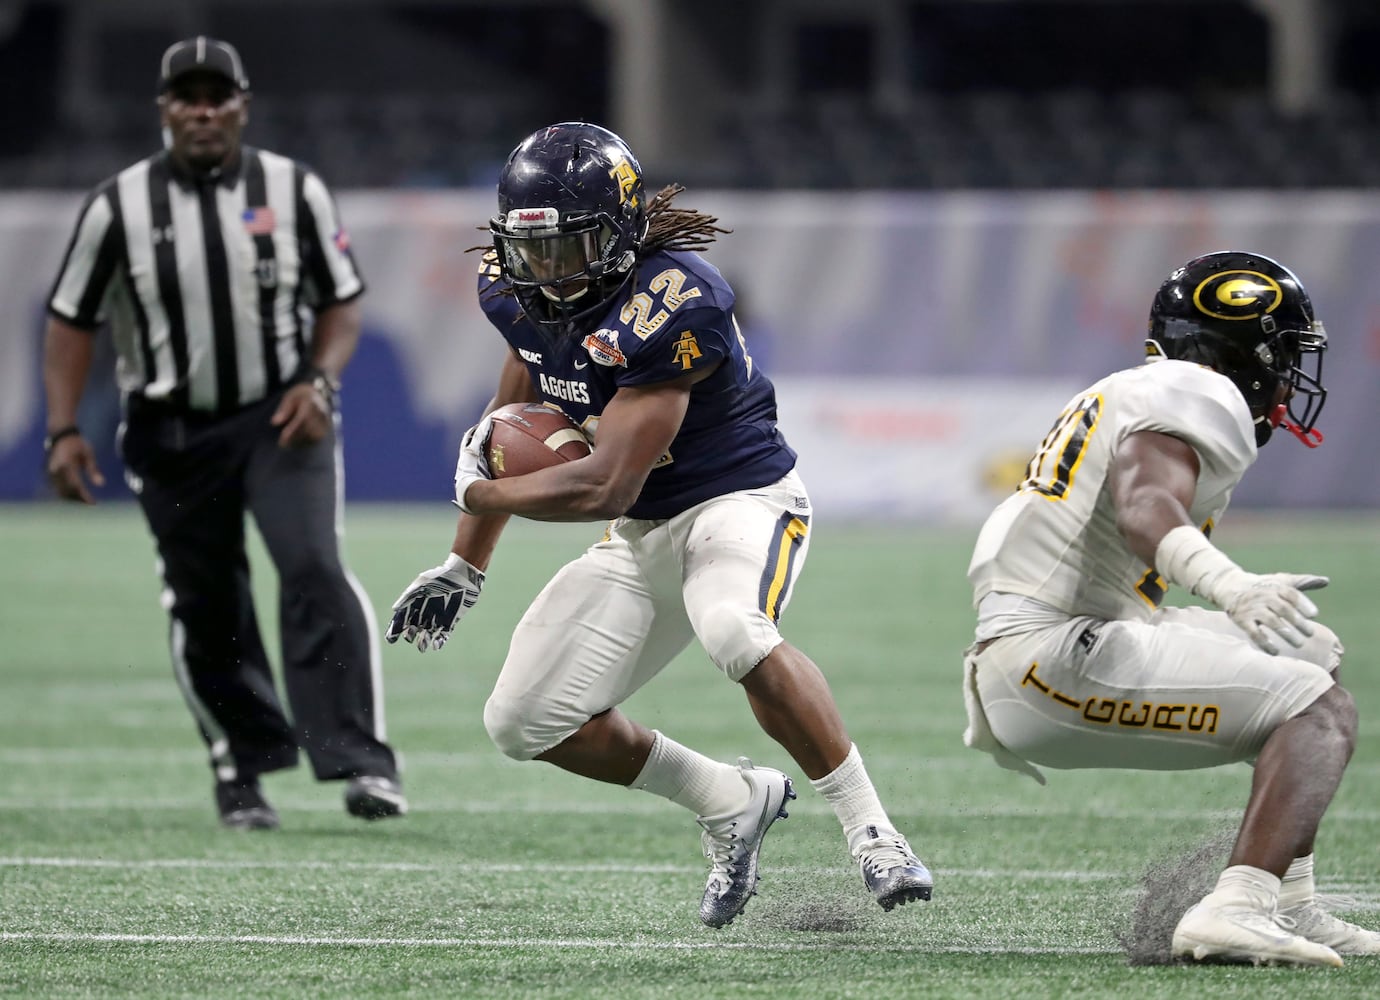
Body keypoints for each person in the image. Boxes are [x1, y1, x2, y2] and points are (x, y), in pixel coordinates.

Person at [386, 121, 932, 927]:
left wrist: (481, 499)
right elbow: (527, 379)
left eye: (569, 250)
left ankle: (873, 832)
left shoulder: (675, 300)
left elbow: (607, 482)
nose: (550, 274)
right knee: (522, 719)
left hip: (737, 502)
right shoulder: (514, 285)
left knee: (734, 629)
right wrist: (466, 562)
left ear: (622, 231)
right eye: (534, 252)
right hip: (643, 531)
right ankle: (730, 800)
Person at [963, 251, 1379, 966]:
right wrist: (1231, 587)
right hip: (1051, 659)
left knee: (1309, 655)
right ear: (1243, 348)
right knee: (1318, 710)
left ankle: (1290, 905)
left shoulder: (1143, 388)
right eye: (1282, 351)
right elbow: (1144, 508)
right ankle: (1235, 909)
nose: (1288, 373)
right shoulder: (1198, 391)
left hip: (1059, 642)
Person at [42, 36, 405, 830]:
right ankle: (241, 769)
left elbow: (342, 302)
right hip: (170, 430)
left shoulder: (293, 188)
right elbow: (71, 319)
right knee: (206, 601)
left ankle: (362, 761)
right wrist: (64, 427)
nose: (203, 111)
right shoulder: (118, 205)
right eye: (186, 97)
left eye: (217, 96)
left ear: (242, 104)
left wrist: (320, 380)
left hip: (280, 415)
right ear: (164, 109)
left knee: (312, 565)